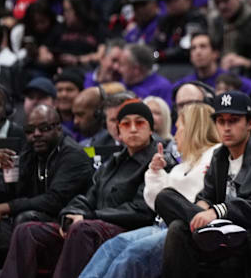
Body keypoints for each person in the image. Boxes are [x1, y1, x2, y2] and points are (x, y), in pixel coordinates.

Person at [1, 99, 168, 277]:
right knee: (26, 230)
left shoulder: (157, 162)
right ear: (118, 131)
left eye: (140, 123)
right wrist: (70, 213)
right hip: (93, 225)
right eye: (126, 124)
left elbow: (141, 211)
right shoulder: (113, 162)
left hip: (128, 229)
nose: (133, 129)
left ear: (151, 129)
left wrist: (88, 216)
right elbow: (88, 197)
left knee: (82, 229)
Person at [77, 103, 220, 278]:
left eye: (179, 128)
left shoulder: (215, 155)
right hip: (160, 225)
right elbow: (155, 202)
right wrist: (155, 172)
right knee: (111, 247)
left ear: (192, 129)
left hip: (183, 230)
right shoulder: (182, 166)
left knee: (132, 255)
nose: (175, 135)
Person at [156, 91, 251, 277]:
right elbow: (207, 195)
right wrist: (200, 208)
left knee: (179, 226)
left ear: (249, 123)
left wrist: (217, 211)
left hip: (248, 238)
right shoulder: (220, 155)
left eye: (233, 120)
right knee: (168, 204)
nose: (226, 127)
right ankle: (214, 230)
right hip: (217, 240)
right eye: (221, 121)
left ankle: (217, 230)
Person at [0, 105, 93, 263]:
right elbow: (12, 191)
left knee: (26, 219)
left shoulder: (73, 156)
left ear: (59, 128)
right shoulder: (31, 152)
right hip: (36, 216)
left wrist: (7, 207)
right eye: (30, 130)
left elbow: (54, 201)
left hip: (67, 221)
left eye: (44, 128)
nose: (36, 134)